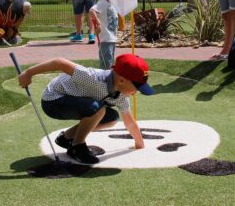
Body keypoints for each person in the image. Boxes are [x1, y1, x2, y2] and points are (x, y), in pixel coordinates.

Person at [18, 53, 154, 164]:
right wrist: (29, 73)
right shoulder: (93, 78)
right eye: (137, 87)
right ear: (122, 80)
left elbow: (129, 122)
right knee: (98, 109)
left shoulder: (120, 96)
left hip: (76, 102)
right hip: (53, 100)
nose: (137, 92)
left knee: (111, 118)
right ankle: (77, 147)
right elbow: (59, 62)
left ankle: (66, 138)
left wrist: (139, 144)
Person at [89, 0, 118, 69]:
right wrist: (98, 22)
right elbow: (92, 11)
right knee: (106, 63)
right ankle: (105, 80)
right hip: (106, 38)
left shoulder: (111, 3)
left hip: (111, 38)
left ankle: (108, 79)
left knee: (110, 62)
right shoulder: (103, 2)